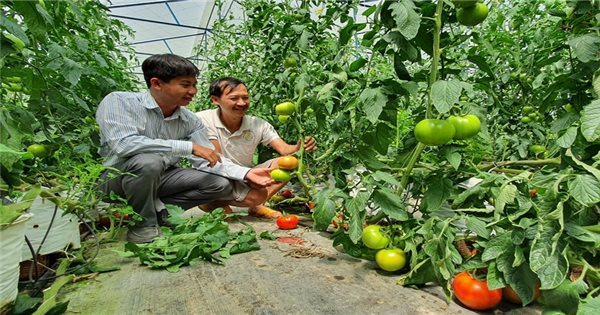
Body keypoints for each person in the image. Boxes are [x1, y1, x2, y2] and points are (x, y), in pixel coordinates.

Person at [96, 54, 275, 243]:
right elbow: (123, 144)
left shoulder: (190, 120)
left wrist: (247, 173)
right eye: (185, 84)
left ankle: (161, 212)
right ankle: (143, 224)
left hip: (162, 178)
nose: (193, 91)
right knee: (149, 161)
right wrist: (187, 147)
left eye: (194, 85)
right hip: (117, 179)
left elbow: (209, 159)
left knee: (217, 183)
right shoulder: (120, 102)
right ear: (157, 83)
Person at [196, 77, 317, 219]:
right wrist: (247, 174)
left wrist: (300, 146)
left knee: (289, 162)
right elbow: (216, 160)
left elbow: (284, 150)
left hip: (245, 175)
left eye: (245, 98)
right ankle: (213, 202)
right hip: (216, 176)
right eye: (234, 98)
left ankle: (258, 206)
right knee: (222, 183)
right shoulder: (203, 120)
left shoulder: (257, 124)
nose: (241, 103)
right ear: (216, 100)